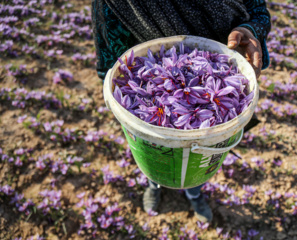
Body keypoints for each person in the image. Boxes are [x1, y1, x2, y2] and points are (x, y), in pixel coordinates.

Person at [91, 0, 271, 223]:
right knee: (154, 152)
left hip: (217, 65)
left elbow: (258, 10)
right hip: (147, 74)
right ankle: (154, 184)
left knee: (202, 157)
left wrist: (249, 29)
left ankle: (195, 192)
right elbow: (109, 37)